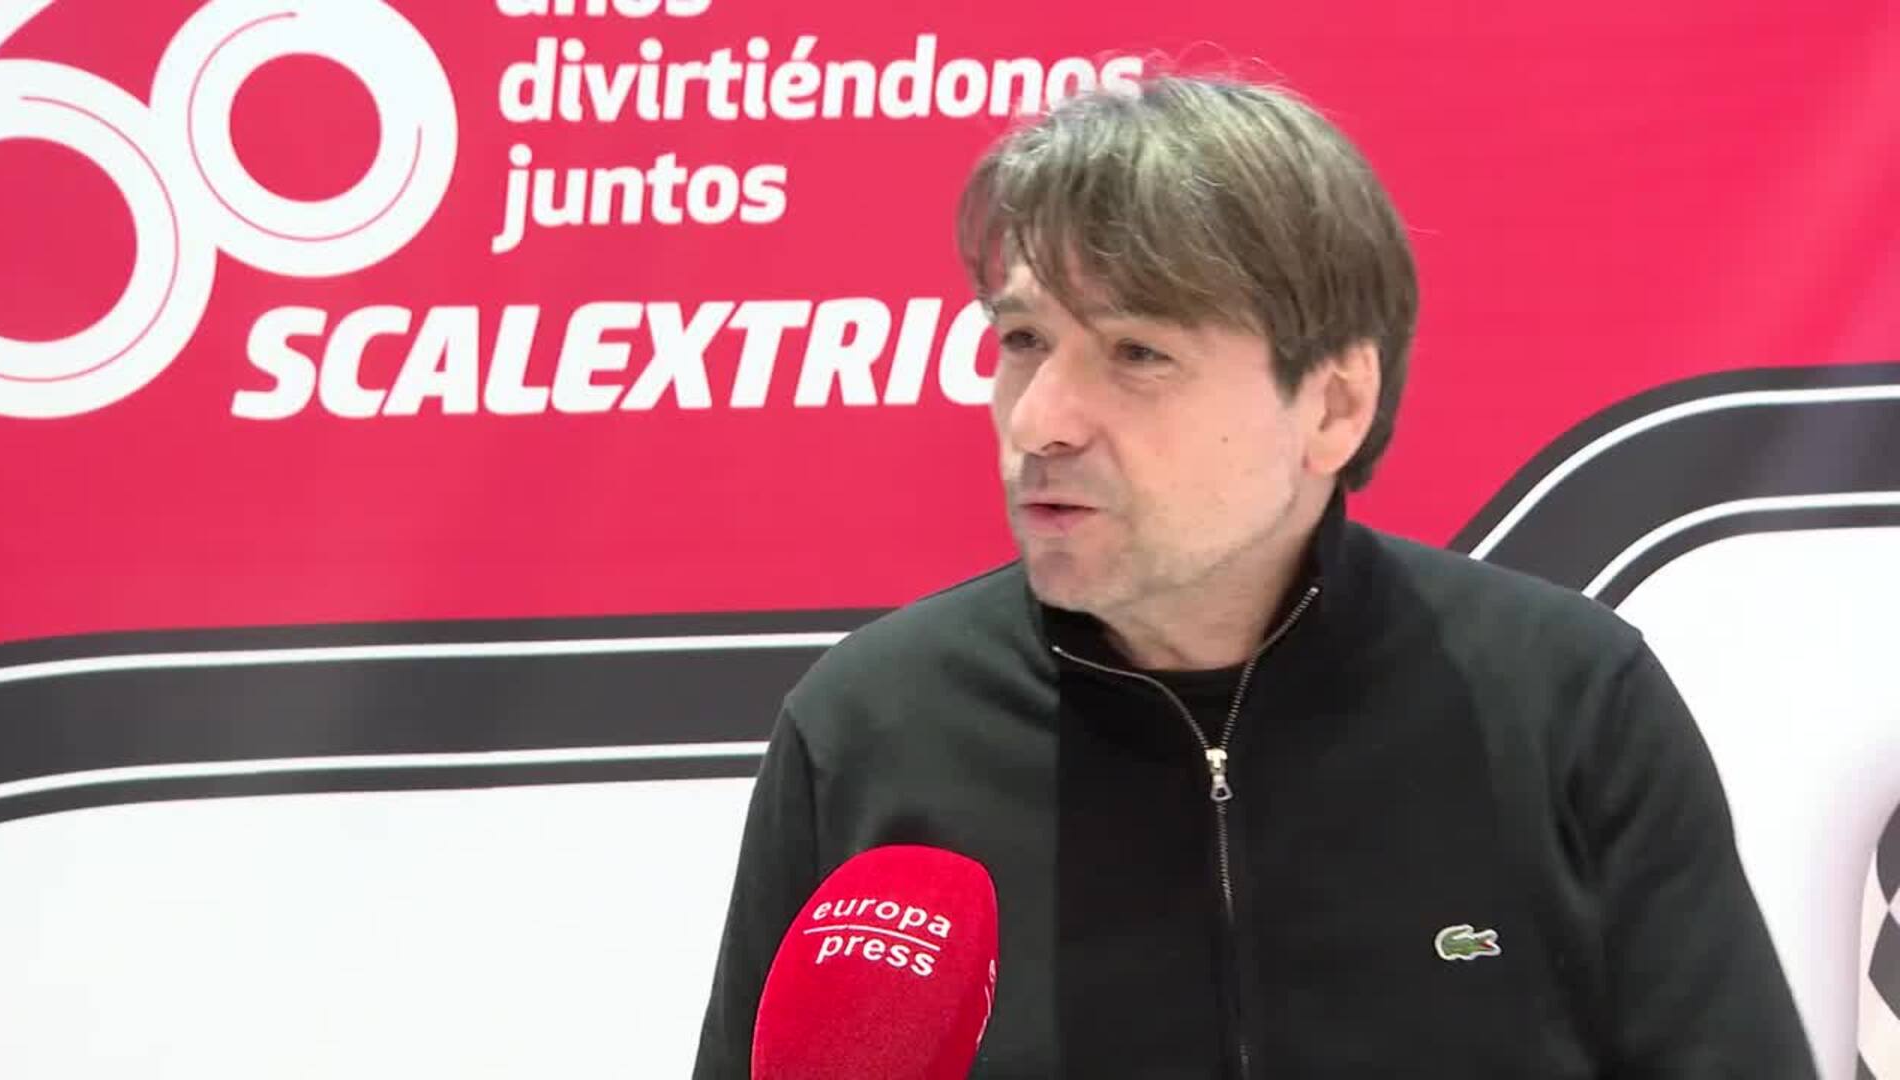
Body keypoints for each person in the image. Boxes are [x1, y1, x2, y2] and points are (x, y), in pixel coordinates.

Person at [692, 74, 1816, 1078]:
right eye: (1023, 341)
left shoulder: (1566, 702)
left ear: (1333, 406)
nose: (1039, 421)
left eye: (1138, 353)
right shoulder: (871, 729)